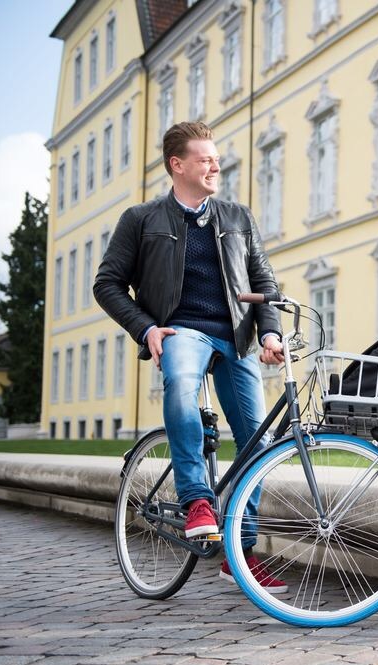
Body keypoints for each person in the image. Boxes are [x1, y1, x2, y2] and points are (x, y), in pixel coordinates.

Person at [94, 121, 287, 594]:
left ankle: (239, 554)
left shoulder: (237, 216)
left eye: (216, 158)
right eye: (204, 159)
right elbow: (107, 284)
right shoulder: (141, 219)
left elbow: (265, 284)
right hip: (182, 330)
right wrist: (146, 328)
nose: (215, 165)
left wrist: (270, 334)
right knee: (180, 382)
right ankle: (197, 500)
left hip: (235, 338)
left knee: (256, 443)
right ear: (177, 165)